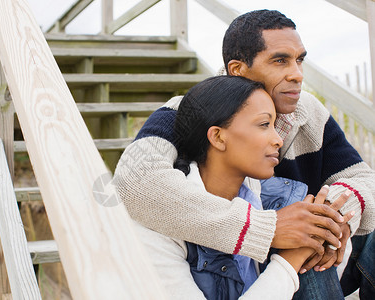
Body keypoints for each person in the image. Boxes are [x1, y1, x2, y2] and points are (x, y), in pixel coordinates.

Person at [114, 9, 375, 299]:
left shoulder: (308, 111)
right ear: (237, 70)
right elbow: (136, 184)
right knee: (305, 238)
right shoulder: (191, 112)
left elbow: (362, 178)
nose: (297, 74)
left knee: (313, 231)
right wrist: (268, 230)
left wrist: (333, 218)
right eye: (280, 60)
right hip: (242, 259)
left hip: (306, 248)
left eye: (299, 59)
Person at [134, 75, 354, 299]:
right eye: (264, 124)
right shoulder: (156, 227)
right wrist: (289, 261)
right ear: (218, 137)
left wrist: (329, 229)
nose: (278, 139)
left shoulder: (281, 197)